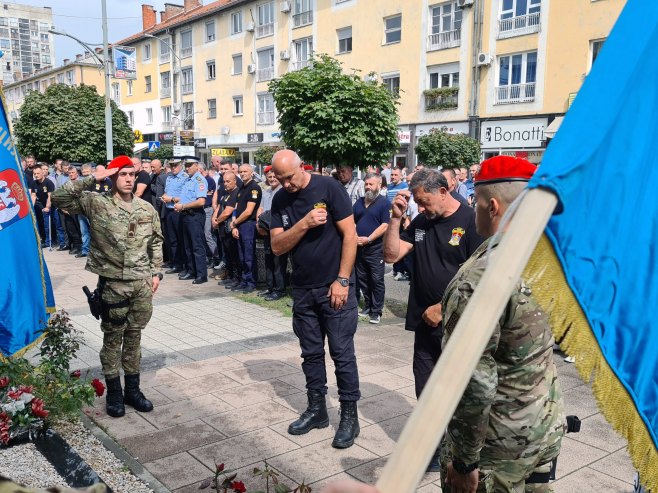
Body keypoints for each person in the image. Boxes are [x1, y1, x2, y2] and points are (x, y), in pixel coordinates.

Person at [439, 155, 565, 493]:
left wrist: (465, 462)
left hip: (497, 447)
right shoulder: (549, 257)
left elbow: (472, 382)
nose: (472, 208)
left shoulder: (480, 277)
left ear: (492, 206)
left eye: (475, 202)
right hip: (543, 424)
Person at [383, 168, 483, 470]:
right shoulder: (423, 222)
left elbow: (481, 274)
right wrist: (396, 218)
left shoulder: (470, 222)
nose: (421, 208)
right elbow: (391, 255)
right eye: (417, 203)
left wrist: (443, 306)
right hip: (423, 322)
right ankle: (436, 445)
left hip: (457, 324)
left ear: (443, 191)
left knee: (458, 389)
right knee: (425, 385)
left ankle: (461, 451)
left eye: (424, 202)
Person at [52, 155, 163, 418]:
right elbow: (59, 198)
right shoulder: (96, 203)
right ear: (112, 177)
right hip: (112, 284)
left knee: (134, 337)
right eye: (122, 174)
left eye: (131, 174)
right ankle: (114, 392)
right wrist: (94, 177)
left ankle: (132, 391)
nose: (128, 179)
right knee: (113, 339)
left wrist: (156, 272)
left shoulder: (146, 209)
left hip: (140, 284)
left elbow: (156, 241)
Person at [270, 149, 360, 449]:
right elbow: (278, 247)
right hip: (303, 288)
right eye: (279, 179)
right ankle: (317, 409)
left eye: (290, 177)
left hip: (335, 286)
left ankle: (349, 416)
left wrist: (343, 279)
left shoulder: (329, 188)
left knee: (341, 353)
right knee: (310, 354)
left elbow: (350, 235)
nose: (286, 184)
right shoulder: (281, 199)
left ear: (301, 167)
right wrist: (305, 223)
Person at [353, 173, 390, 324]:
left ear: (379, 186)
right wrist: (355, 237)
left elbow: (384, 225)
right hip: (359, 248)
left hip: (375, 248)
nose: (368, 187)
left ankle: (376, 311)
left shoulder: (385, 203)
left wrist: (368, 239)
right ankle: (367, 306)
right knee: (362, 279)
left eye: (371, 184)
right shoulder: (359, 203)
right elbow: (352, 221)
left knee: (376, 280)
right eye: (366, 184)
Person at [175, 157, 208, 284]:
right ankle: (191, 271)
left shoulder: (199, 180)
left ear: (196, 166)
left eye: (189, 165)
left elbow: (201, 201)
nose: (187, 168)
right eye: (186, 166)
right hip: (185, 215)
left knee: (197, 246)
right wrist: (176, 202)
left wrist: (183, 206)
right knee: (188, 246)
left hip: (195, 216)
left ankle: (201, 274)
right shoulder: (188, 180)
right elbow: (186, 197)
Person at [230, 164, 262, 293]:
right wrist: (234, 223)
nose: (242, 174)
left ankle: (251, 282)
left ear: (251, 173)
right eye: (240, 171)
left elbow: (249, 211)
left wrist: (235, 222)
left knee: (249, 256)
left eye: (245, 171)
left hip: (248, 224)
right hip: (239, 224)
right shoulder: (242, 187)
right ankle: (244, 281)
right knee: (242, 255)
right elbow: (236, 208)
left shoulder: (254, 188)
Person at [257, 166, 287, 301]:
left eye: (274, 176)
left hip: (278, 231)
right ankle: (270, 287)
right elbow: (261, 208)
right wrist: (259, 223)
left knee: (278, 261)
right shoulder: (266, 192)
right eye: (270, 177)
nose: (272, 179)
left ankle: (279, 289)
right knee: (268, 259)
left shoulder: (283, 192)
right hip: (266, 228)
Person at [212, 171, 241, 287]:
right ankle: (229, 276)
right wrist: (214, 218)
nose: (226, 183)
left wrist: (216, 222)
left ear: (234, 181)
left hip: (230, 229)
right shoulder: (225, 193)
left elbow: (228, 211)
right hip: (222, 229)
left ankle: (236, 278)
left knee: (234, 255)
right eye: (224, 181)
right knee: (227, 254)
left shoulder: (236, 193)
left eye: (228, 181)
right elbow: (219, 206)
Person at [161, 159, 188, 274]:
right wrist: (164, 197)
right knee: (172, 239)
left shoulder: (185, 177)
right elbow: (167, 192)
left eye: (175, 165)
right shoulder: (169, 177)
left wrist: (171, 199)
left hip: (179, 210)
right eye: (171, 165)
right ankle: (176, 263)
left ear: (181, 165)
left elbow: (186, 197)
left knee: (181, 239)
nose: (173, 167)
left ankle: (184, 264)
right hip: (169, 210)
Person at [199, 163, 219, 267]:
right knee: (203, 235)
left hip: (208, 209)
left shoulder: (209, 180)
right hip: (201, 210)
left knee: (208, 234)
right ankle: (209, 257)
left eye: (200, 171)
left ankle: (216, 257)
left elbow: (206, 194)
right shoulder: (199, 180)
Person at [30, 166, 54, 248]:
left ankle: (49, 241)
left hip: (48, 204)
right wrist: (31, 208)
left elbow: (50, 196)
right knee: (40, 223)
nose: (36, 175)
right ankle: (43, 239)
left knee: (47, 224)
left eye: (38, 173)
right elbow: (33, 196)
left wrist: (47, 207)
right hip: (39, 204)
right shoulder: (34, 183)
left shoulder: (49, 183)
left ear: (42, 173)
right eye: (35, 174)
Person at [63, 166, 82, 256]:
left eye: (73, 172)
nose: (71, 174)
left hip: (79, 210)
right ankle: (76, 246)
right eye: (69, 173)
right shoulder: (67, 183)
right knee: (71, 229)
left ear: (77, 173)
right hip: (68, 210)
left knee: (80, 229)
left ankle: (83, 247)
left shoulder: (81, 182)